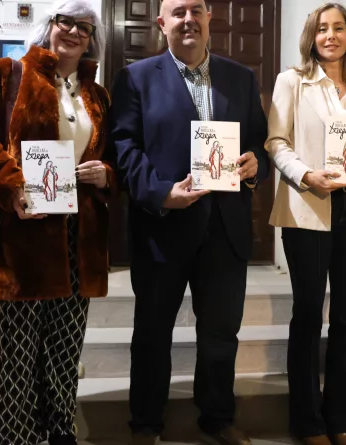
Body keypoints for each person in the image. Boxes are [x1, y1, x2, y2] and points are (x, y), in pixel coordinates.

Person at [0, 1, 114, 444]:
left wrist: (106, 174)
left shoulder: (97, 96)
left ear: (92, 40)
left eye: (85, 27)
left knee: (65, 348)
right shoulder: (8, 74)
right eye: (67, 22)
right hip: (24, 234)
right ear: (50, 25)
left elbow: (112, 157)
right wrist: (12, 186)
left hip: (80, 238)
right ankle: (14, 436)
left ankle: (60, 430)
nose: (74, 32)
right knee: (20, 351)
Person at [108, 0, 269, 444]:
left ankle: (217, 417)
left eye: (196, 10)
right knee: (152, 332)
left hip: (225, 227)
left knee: (221, 333)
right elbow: (124, 148)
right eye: (178, 12)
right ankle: (145, 423)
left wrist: (256, 164)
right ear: (162, 23)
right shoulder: (136, 78)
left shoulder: (241, 77)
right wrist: (161, 193)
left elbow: (259, 142)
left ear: (208, 18)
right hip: (162, 227)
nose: (188, 20)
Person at [265, 4, 346, 445]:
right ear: (312, 36)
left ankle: (340, 420)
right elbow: (276, 142)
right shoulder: (292, 81)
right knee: (307, 314)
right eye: (323, 28)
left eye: (339, 28)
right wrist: (306, 175)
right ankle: (307, 422)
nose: (331, 35)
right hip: (309, 207)